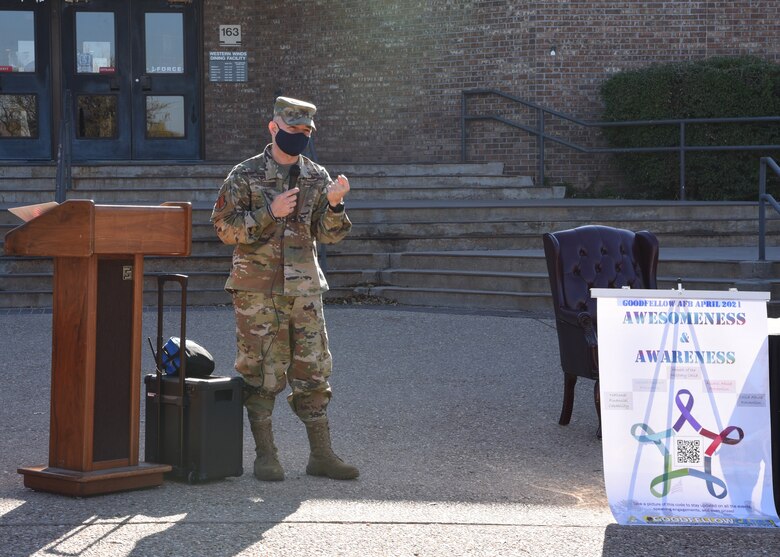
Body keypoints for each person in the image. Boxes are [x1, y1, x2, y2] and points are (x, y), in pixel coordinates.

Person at [211, 96, 358, 481]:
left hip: (304, 290)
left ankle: (321, 456)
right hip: (257, 290)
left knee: (313, 369)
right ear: (273, 128)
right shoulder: (244, 174)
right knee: (260, 370)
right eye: (293, 130)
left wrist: (335, 205)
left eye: (306, 132)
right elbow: (224, 228)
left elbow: (327, 234)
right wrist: (268, 213)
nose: (300, 137)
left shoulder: (316, 175)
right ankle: (266, 455)